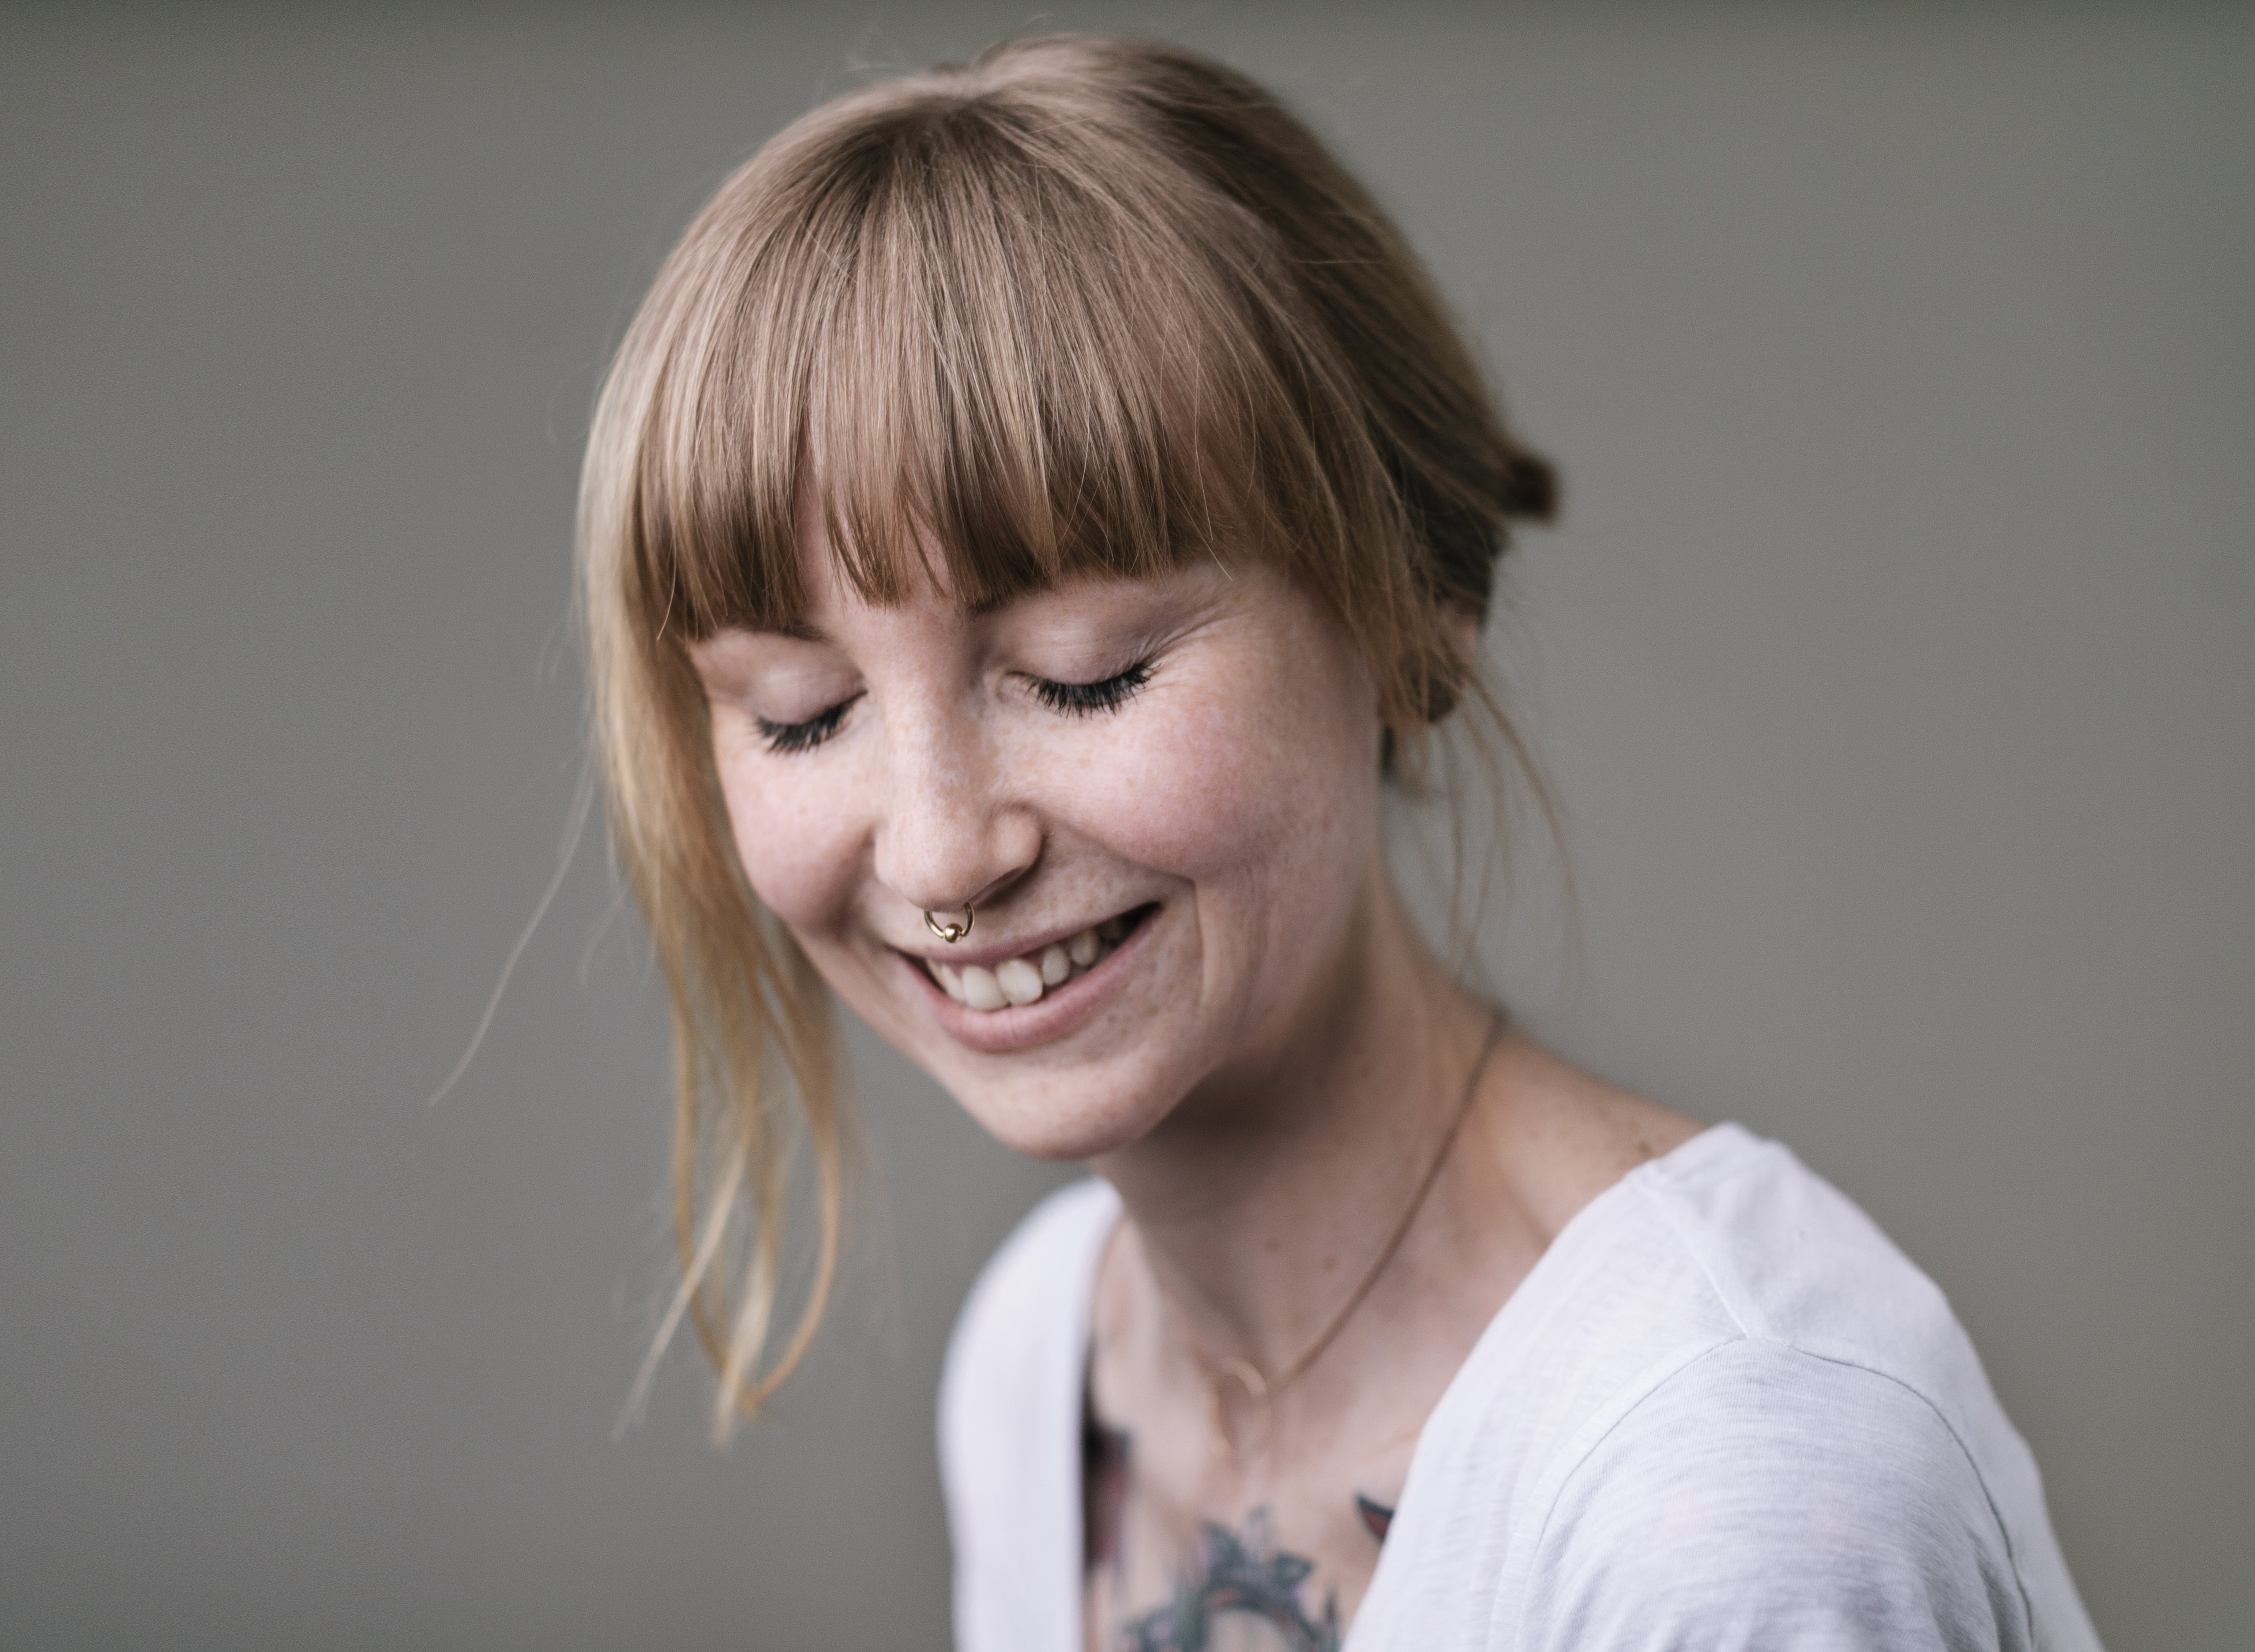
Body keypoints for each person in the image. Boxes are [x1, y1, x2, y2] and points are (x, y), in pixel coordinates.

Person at [577, 33, 2101, 1652]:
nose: (946, 858)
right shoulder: (1043, 1362)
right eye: (804, 713)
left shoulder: (1735, 1490)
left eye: (1084, 671)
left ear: (1415, 618)